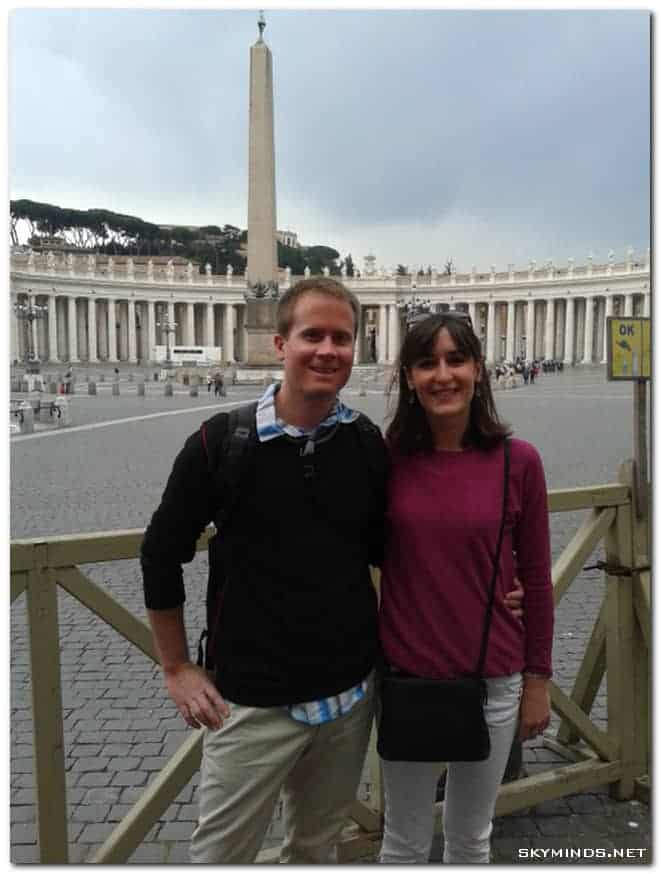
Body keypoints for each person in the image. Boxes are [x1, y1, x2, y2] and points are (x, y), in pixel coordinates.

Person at [140, 278, 387, 863]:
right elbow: (160, 552)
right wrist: (176, 667)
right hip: (248, 704)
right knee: (221, 858)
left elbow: (392, 551)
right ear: (281, 344)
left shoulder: (367, 444)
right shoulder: (220, 441)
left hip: (347, 701)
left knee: (315, 850)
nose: (328, 350)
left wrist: (494, 589)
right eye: (312, 335)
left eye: (342, 338)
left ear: (356, 349)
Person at [378, 312, 553, 864]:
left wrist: (538, 680)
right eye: (427, 362)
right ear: (408, 376)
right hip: (407, 680)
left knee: (472, 838)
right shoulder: (385, 460)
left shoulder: (519, 461)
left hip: (494, 680)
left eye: (456, 359)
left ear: (479, 368)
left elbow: (538, 580)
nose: (443, 375)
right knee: (402, 840)